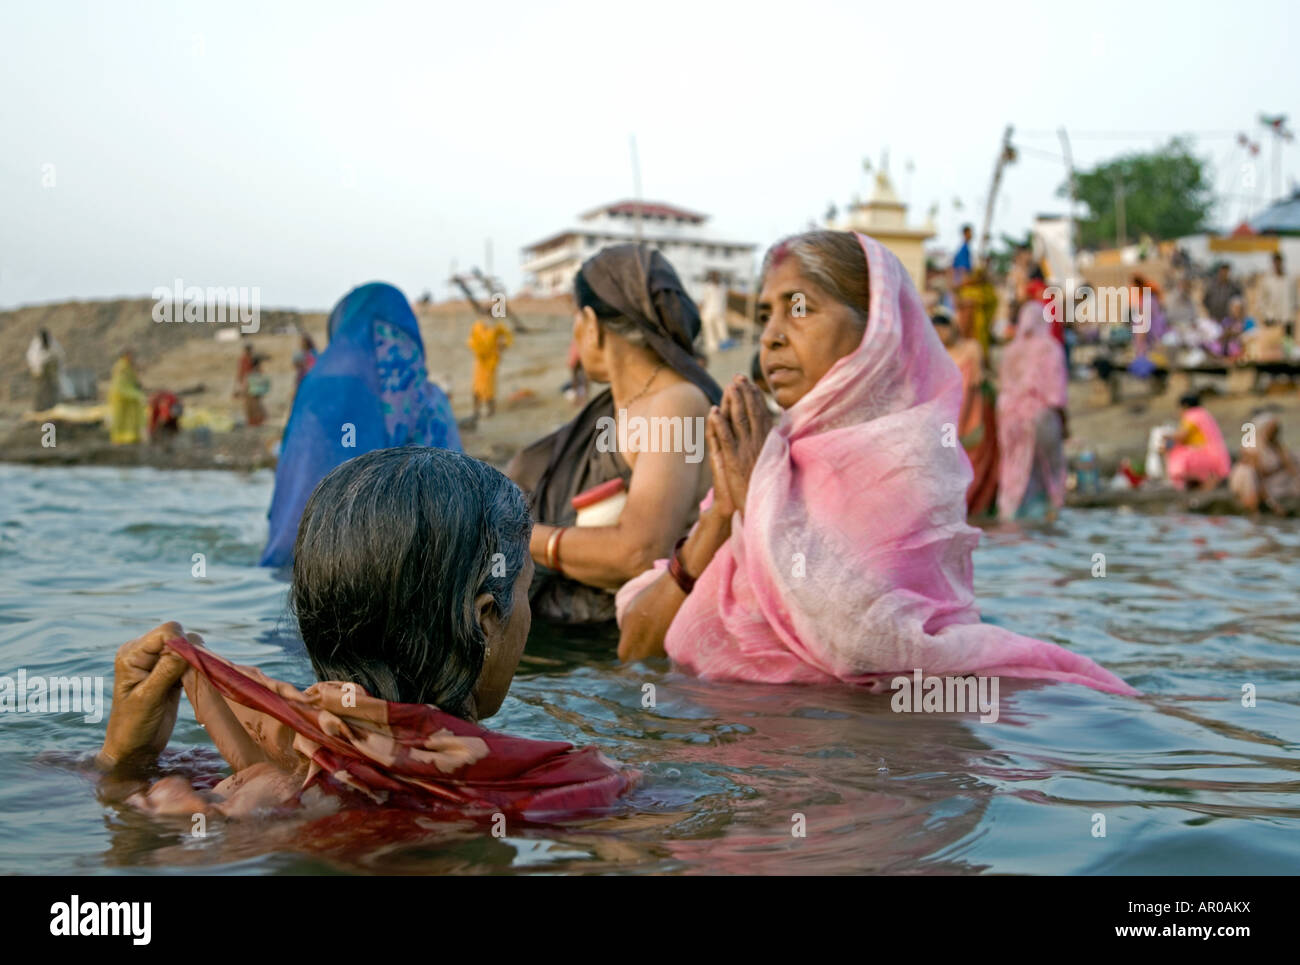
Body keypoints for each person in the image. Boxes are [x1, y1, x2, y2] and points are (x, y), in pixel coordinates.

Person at [614, 230, 1132, 695]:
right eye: (765, 314)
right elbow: (636, 646)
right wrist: (721, 514)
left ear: (875, 330)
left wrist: (754, 499)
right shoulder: (764, 462)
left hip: (871, 768)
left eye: (798, 309)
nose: (771, 335)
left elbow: (866, 645)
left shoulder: (909, 467)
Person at [96, 448, 630, 820]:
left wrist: (122, 760)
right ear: (486, 617)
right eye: (526, 592)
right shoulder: (574, 786)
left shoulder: (260, 779)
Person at [507, 244, 721, 625]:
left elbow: (640, 553)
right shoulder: (614, 409)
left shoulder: (676, 403)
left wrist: (517, 536)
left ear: (590, 324)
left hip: (636, 646)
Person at [260, 282, 461, 567]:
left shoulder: (313, 393)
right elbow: (458, 501)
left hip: (299, 563)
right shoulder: (426, 399)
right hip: (408, 572)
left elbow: (292, 481)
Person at [998, 297, 1069, 522]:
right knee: (1047, 469)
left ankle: (1011, 514)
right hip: (1040, 414)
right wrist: (1065, 422)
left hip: (1008, 416)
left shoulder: (1010, 351)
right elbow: (1055, 393)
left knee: (1014, 467)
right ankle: (1046, 518)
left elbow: (1004, 384)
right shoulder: (1050, 348)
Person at [934, 310, 998, 516]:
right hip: (946, 420)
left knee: (975, 468)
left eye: (943, 328)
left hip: (973, 415)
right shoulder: (935, 355)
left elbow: (980, 378)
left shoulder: (971, 349)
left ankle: (975, 509)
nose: (941, 334)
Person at [1229, 409, 1300, 514]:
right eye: (1272, 430)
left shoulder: (1276, 446)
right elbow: (1258, 478)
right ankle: (1254, 511)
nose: (1275, 433)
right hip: (1257, 484)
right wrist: (1273, 505)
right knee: (1248, 473)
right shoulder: (1251, 450)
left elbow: (1291, 468)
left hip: (1272, 482)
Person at [1164, 391, 1230, 490]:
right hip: (1219, 455)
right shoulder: (1204, 414)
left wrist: (1164, 436)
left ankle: (1182, 482)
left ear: (1185, 406)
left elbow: (1181, 436)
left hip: (1207, 455)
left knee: (1176, 452)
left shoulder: (1193, 415)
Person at [468, 316, 514, 419]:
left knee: (489, 388)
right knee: (476, 387)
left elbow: (508, 336)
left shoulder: (497, 327)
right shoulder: (477, 326)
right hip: (480, 362)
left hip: (491, 362)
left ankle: (491, 411)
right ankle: (476, 411)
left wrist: (503, 346)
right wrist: (477, 350)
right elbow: (471, 341)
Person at [107, 349, 146, 445]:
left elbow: (132, 381)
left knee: (130, 419)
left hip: (129, 397)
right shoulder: (121, 367)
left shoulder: (128, 367)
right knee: (120, 419)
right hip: (121, 397)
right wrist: (135, 393)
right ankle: (118, 438)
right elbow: (120, 384)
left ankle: (130, 437)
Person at [26, 328, 64, 412]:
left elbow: (59, 357)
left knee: (51, 390)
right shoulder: (35, 346)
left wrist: (56, 370)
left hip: (51, 373)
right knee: (40, 391)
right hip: (40, 374)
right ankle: (39, 408)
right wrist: (38, 371)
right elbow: (34, 360)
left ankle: (52, 407)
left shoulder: (53, 344)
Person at [1257, 252, 1295, 329]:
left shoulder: (1290, 280)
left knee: (1288, 341)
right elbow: (1261, 301)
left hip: (1287, 320)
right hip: (1271, 320)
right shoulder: (1267, 281)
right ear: (1273, 263)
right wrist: (1266, 315)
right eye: (1275, 262)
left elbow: (1295, 300)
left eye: (1279, 261)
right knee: (1273, 340)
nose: (1277, 264)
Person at [699, 270, 731, 353]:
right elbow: (704, 300)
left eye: (717, 276)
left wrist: (725, 311)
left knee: (722, 330)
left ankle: (725, 345)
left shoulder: (723, 287)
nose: (716, 278)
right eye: (714, 276)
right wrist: (702, 311)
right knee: (709, 330)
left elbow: (725, 301)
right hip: (708, 312)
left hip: (719, 311)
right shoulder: (707, 287)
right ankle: (712, 346)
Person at [241, 355, 270, 426]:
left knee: (254, 409)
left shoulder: (251, 374)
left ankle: (255, 421)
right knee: (256, 409)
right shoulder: (254, 373)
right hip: (253, 393)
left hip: (253, 393)